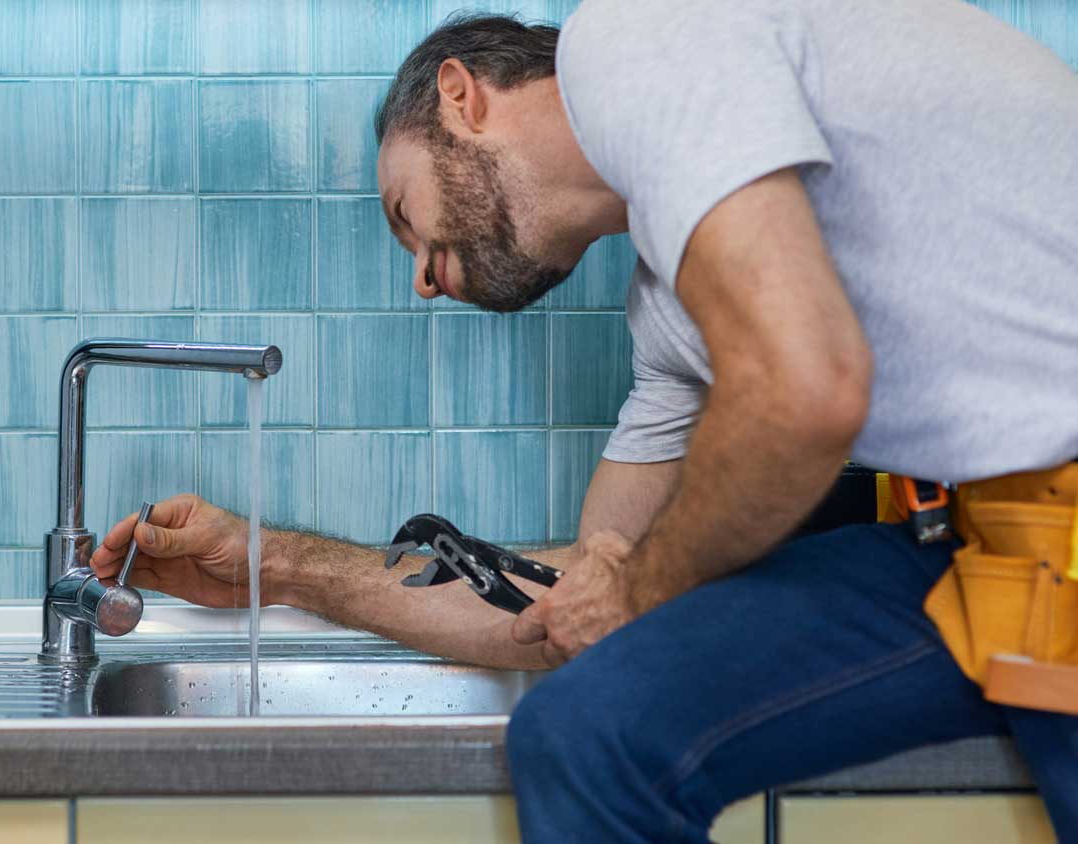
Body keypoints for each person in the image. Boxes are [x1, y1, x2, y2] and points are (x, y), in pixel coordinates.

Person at [91, 1, 1078, 839]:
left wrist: (641, 585)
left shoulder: (636, 38)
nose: (422, 280)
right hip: (989, 549)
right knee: (588, 725)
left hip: (1042, 538)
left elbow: (806, 394)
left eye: (405, 214)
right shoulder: (676, 315)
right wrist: (280, 567)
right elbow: (570, 602)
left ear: (461, 96)